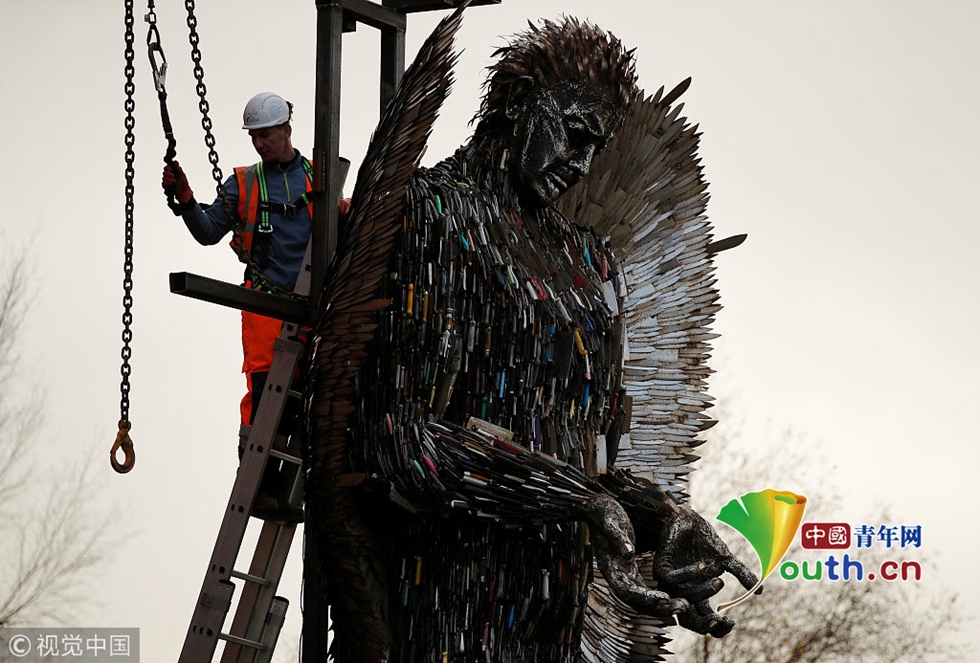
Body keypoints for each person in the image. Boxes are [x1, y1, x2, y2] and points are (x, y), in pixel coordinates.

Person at [307, 15, 758, 661]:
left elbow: (588, 465)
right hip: (448, 609)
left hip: (555, 619)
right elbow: (401, 445)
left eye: (597, 148)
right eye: (573, 134)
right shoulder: (435, 213)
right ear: (518, 103)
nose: (581, 164)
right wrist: (574, 498)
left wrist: (661, 517)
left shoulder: (592, 263)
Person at [163, 91, 332, 523]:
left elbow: (340, 228)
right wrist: (186, 199)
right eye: (254, 136)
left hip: (312, 306)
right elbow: (208, 231)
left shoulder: (320, 177)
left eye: (266, 135)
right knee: (262, 393)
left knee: (306, 398)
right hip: (264, 303)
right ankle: (258, 486)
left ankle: (289, 490)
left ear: (286, 130)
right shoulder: (243, 183)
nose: (259, 143)